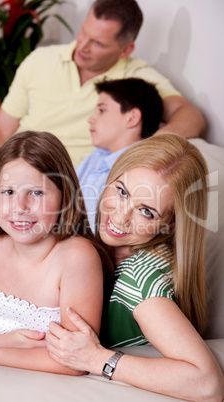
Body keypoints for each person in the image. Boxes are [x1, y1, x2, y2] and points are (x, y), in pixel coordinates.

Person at [0, 0, 205, 205]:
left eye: (97, 43)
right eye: (83, 33)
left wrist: (142, 151)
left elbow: (191, 116)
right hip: (15, 163)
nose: (82, 47)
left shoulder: (137, 78)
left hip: (58, 182)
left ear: (125, 50)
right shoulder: (40, 60)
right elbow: (0, 127)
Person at [45, 135, 224, 400]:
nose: (120, 217)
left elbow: (207, 384)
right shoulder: (98, 246)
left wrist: (96, 358)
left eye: (146, 212)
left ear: (170, 224)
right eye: (122, 191)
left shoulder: (139, 280)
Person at [0, 130, 113, 373]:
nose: (20, 207)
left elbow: (76, 361)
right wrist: (8, 341)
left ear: (64, 196)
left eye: (36, 192)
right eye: (8, 192)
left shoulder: (76, 258)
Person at [76, 77, 163, 232]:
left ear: (132, 118)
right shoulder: (96, 156)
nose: (90, 119)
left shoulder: (139, 171)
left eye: (102, 110)